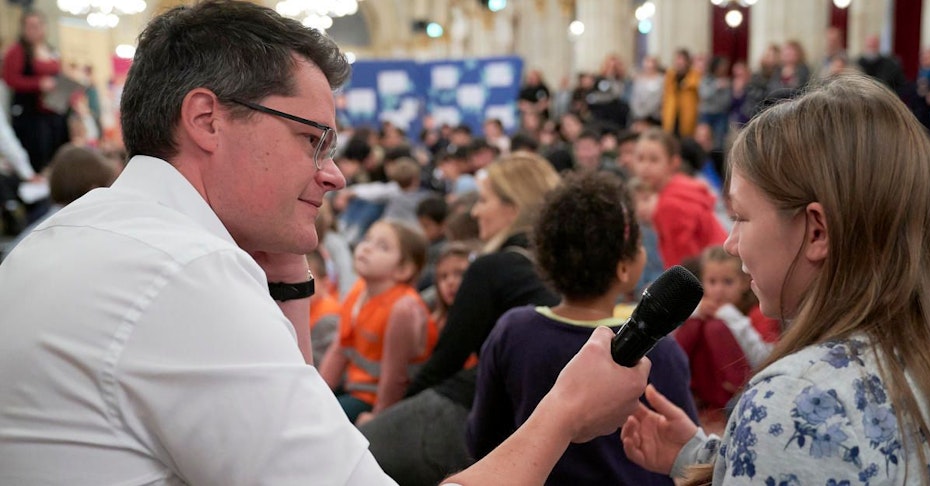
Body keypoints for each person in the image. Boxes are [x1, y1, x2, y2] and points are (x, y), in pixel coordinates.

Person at [0, 3, 655, 484]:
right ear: (207, 120)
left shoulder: (62, 237)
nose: (334, 171)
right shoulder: (186, 275)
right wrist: (563, 413)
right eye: (311, 138)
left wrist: (285, 274)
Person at [620, 74, 930, 485]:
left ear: (817, 231)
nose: (729, 243)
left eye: (742, 217)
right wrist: (709, 455)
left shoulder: (799, 400)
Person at [467, 171, 697, 485]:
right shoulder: (661, 350)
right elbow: (683, 457)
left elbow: (481, 438)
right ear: (624, 267)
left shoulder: (512, 330)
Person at [360, 152, 561, 486]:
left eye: (484, 201)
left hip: (469, 416)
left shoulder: (493, 268)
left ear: (512, 208)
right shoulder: (558, 270)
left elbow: (447, 358)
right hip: (529, 426)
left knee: (352, 455)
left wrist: (392, 414)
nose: (474, 211)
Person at [320, 220, 434, 423]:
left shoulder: (403, 309)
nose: (367, 248)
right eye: (368, 239)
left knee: (321, 420)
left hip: (380, 402)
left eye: (382, 246)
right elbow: (340, 348)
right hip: (355, 388)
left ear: (404, 269)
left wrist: (377, 419)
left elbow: (395, 379)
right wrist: (316, 392)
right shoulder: (359, 290)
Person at [674, 246, 778, 433]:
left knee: (715, 327)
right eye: (712, 282)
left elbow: (766, 358)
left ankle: (727, 407)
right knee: (695, 325)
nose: (718, 291)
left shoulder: (759, 311)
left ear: (745, 283)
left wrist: (730, 318)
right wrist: (695, 313)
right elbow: (671, 341)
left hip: (743, 388)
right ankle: (686, 397)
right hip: (703, 391)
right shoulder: (702, 308)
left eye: (728, 282)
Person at [632, 129, 727, 267]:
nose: (645, 167)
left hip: (715, 270)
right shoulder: (680, 187)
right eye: (640, 159)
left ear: (674, 162)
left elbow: (684, 266)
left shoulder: (670, 204)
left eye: (654, 160)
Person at [2, 10, 69, 173]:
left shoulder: (51, 50)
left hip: (53, 110)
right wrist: (38, 83)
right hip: (30, 115)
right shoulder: (17, 51)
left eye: (38, 25)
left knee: (57, 152)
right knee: (37, 154)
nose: (34, 30)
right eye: (30, 26)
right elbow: (10, 79)